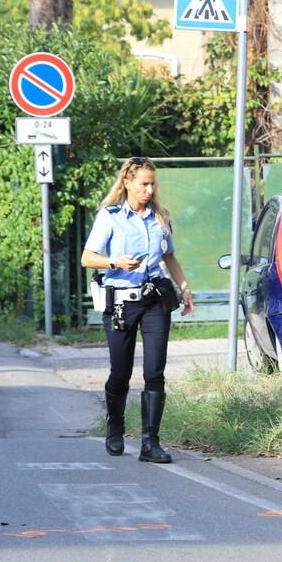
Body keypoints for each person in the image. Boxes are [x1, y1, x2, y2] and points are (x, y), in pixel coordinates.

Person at [81, 156, 195, 464]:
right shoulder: (111, 216)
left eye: (152, 183)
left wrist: (184, 288)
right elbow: (87, 257)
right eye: (143, 183)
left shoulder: (159, 217)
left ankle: (150, 444)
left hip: (155, 298)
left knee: (155, 371)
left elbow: (169, 257)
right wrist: (115, 262)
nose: (148, 189)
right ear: (127, 183)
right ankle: (115, 427)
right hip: (121, 300)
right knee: (121, 372)